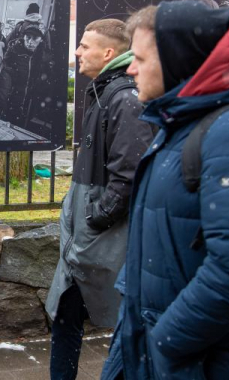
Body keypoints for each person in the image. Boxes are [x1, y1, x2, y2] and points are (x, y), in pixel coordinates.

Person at [101, 1, 229, 380]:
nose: (130, 69)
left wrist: (167, 341)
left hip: (212, 362)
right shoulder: (180, 127)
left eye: (141, 59)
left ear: (180, 62)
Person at [45, 19, 154, 380]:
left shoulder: (122, 98)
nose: (77, 52)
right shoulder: (105, 92)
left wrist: (96, 217)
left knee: (110, 322)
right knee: (65, 315)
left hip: (99, 235)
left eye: (83, 46)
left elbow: (129, 173)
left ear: (108, 53)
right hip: (88, 233)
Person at [4, 21, 46, 127]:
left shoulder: (43, 55)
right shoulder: (14, 50)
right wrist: (14, 75)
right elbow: (5, 66)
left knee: (24, 124)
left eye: (35, 38)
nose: (30, 42)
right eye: (28, 37)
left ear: (41, 40)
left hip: (31, 97)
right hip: (13, 94)